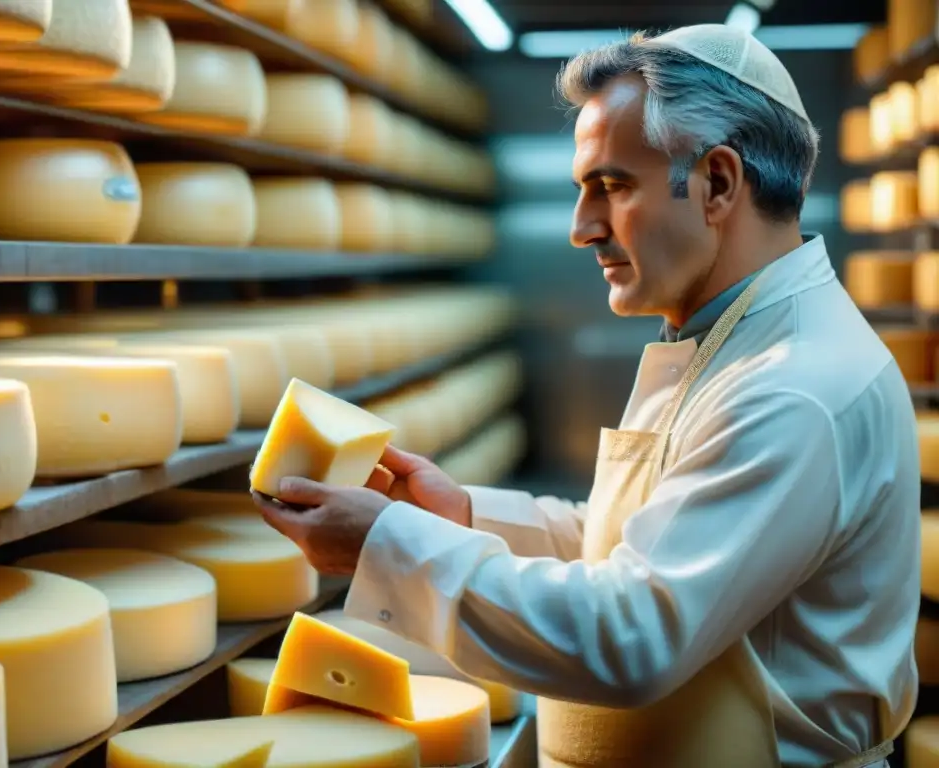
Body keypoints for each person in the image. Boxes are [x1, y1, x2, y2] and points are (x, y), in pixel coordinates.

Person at [252, 24, 921, 767]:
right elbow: (649, 541)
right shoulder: (727, 340)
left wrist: (387, 543)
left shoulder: (795, 387)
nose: (581, 228)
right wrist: (465, 515)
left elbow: (633, 635)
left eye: (612, 186)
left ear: (719, 184)